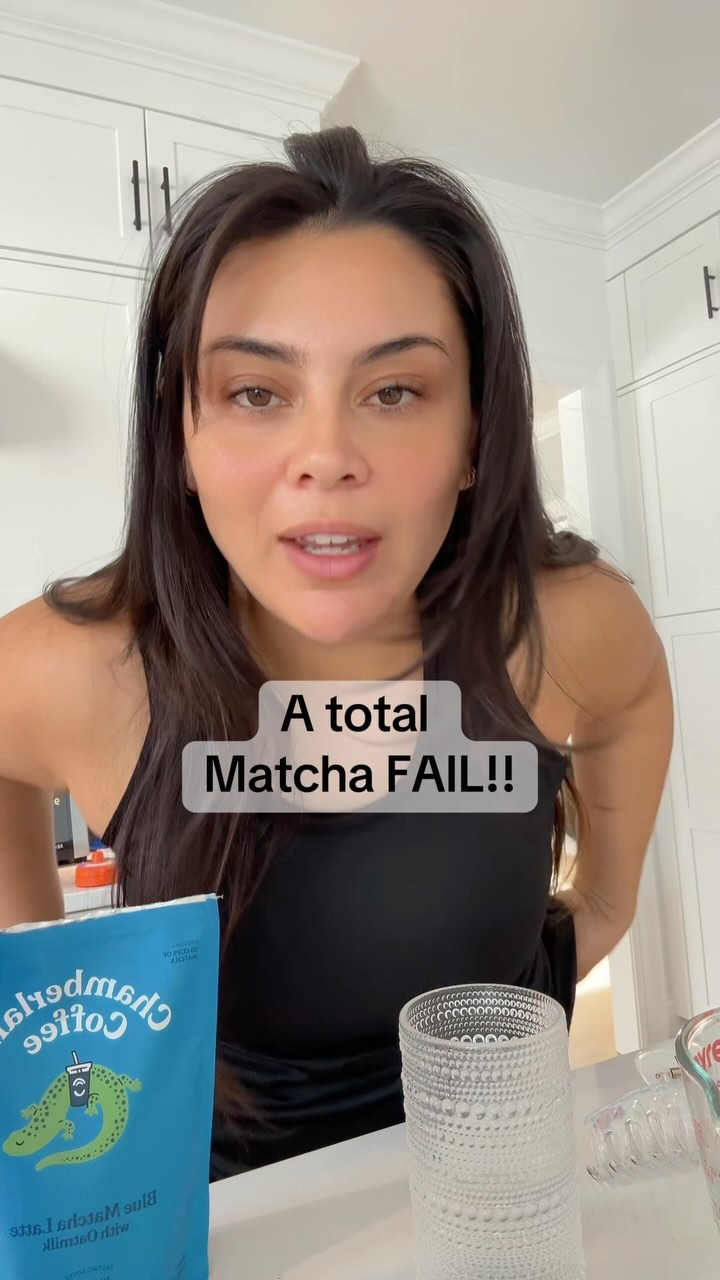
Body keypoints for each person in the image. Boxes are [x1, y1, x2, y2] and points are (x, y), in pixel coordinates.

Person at [0, 126, 673, 1179]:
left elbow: (629, 721)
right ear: (181, 440)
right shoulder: (77, 667)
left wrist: (599, 911)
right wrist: (48, 982)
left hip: (502, 1174)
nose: (326, 458)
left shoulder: (567, 625)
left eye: (394, 391)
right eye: (256, 392)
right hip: (232, 1210)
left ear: (474, 437)